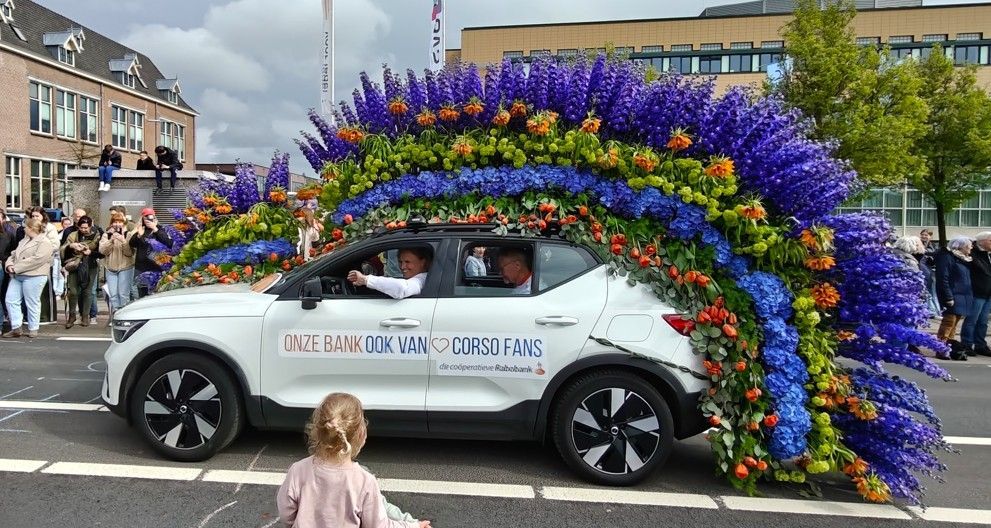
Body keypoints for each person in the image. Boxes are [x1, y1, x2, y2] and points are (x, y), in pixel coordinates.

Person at [277, 392, 430, 528]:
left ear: (317, 431)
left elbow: (286, 515)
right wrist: (413, 525)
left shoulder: (298, 470)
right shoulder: (364, 481)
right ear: (361, 435)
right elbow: (378, 525)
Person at [3, 218, 54, 338]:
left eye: (25, 226)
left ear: (31, 228)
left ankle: (33, 328)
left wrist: (16, 267)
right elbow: (14, 254)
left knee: (32, 302)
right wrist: (9, 264)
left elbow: (37, 260)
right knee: (10, 300)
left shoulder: (44, 242)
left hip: (34, 275)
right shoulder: (24, 240)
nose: (23, 228)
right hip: (18, 275)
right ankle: (16, 327)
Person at [935, 236, 974, 361]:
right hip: (953, 295)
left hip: (962, 295)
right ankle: (940, 349)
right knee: (948, 323)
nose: (971, 247)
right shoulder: (948, 257)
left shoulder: (963, 259)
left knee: (953, 325)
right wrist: (948, 296)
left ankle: (948, 348)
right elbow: (943, 278)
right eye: (969, 245)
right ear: (960, 246)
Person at [347, 247, 430, 299]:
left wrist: (365, 279)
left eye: (407, 262)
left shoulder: (422, 279)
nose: (402, 267)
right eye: (400, 262)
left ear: (423, 262)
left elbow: (402, 289)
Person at [61, 215, 99, 328]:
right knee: (72, 291)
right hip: (74, 265)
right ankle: (72, 316)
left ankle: (85, 316)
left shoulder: (97, 235)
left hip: (90, 265)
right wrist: (71, 246)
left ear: (91, 226)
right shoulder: (73, 235)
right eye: (81, 228)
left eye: (86, 228)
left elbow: (101, 251)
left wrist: (89, 252)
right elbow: (63, 249)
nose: (84, 230)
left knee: (87, 291)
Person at [99, 211, 135, 324]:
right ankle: (116, 316)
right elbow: (102, 251)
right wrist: (111, 240)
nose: (117, 224)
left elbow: (129, 253)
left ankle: (126, 317)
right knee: (113, 294)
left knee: (123, 294)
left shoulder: (128, 234)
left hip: (125, 267)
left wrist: (123, 241)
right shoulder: (107, 234)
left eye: (120, 222)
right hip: (111, 268)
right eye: (115, 222)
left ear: (123, 223)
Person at [128, 207, 173, 298]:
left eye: (150, 217)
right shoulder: (141, 230)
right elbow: (131, 244)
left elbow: (169, 243)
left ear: (154, 218)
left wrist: (155, 229)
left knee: (156, 292)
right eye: (146, 217)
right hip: (141, 266)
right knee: (141, 290)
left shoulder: (160, 229)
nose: (148, 219)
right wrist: (139, 235)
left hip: (157, 266)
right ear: (142, 219)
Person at [961, 232, 991, 357]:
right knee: (972, 320)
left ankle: (980, 344)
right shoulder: (973, 255)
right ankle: (967, 344)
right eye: (990, 240)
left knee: (983, 321)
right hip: (976, 292)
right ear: (982, 241)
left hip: (988, 293)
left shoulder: (987, 255)